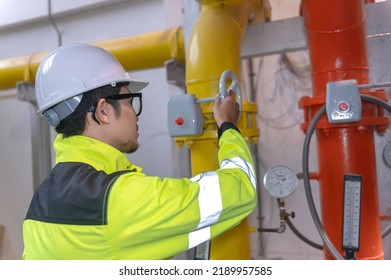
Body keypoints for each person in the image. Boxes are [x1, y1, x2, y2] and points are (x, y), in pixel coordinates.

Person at [22, 43, 257, 260]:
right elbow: (242, 186)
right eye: (130, 101)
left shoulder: (40, 204)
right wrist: (227, 126)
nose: (135, 114)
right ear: (103, 111)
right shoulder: (119, 199)